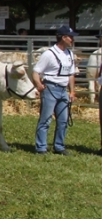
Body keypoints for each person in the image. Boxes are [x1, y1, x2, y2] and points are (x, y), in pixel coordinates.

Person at [32, 24, 78, 155]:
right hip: (50, 88)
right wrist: (39, 84)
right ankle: (41, 147)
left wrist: (72, 91)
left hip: (63, 90)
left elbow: (71, 74)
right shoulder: (49, 54)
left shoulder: (69, 54)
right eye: (70, 37)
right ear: (63, 38)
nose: (72, 40)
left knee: (63, 120)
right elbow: (36, 71)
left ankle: (59, 146)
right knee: (45, 119)